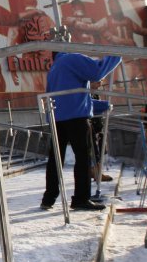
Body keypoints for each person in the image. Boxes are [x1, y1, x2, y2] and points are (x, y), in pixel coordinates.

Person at [41, 52, 122, 211]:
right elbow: (97, 72)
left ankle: (48, 198)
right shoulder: (73, 58)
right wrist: (116, 55)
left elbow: (70, 99)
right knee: (83, 157)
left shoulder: (55, 68)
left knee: (56, 159)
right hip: (76, 118)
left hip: (57, 117)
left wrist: (102, 106)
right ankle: (81, 198)